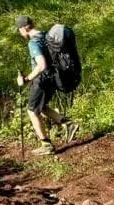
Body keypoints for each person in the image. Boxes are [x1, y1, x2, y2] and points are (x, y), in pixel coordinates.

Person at [15, 15, 73, 155]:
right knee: (41, 107)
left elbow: (41, 65)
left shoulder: (33, 43)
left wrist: (26, 79)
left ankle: (46, 145)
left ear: (24, 28)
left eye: (19, 30)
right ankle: (68, 124)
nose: (20, 33)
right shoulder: (46, 35)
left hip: (42, 80)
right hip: (54, 78)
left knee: (32, 111)